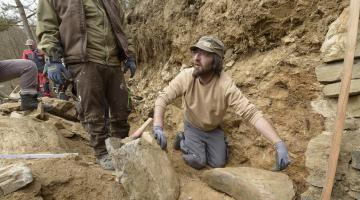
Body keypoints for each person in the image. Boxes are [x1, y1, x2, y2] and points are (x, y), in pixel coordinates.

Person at [153, 36, 290, 170]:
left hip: (212, 129)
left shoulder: (225, 85)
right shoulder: (186, 76)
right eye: (196, 52)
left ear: (215, 61)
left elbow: (251, 113)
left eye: (204, 54)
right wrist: (158, 126)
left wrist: (278, 144)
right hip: (193, 125)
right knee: (198, 161)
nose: (196, 58)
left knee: (218, 163)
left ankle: (192, 140)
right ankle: (183, 140)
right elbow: (163, 98)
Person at [36, 0, 136, 170]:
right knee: (92, 110)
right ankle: (102, 151)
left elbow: (122, 27)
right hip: (83, 60)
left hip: (113, 61)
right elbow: (47, 25)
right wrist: (52, 56)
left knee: (121, 107)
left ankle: (120, 146)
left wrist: (130, 53)